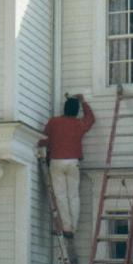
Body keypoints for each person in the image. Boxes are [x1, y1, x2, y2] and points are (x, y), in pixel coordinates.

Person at [38, 94, 95, 237]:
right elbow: (90, 119)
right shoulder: (78, 124)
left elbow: (43, 140)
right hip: (73, 162)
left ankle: (65, 227)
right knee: (73, 196)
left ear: (64, 109)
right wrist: (83, 102)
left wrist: (44, 151)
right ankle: (72, 227)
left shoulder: (54, 122)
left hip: (57, 161)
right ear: (76, 111)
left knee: (60, 195)